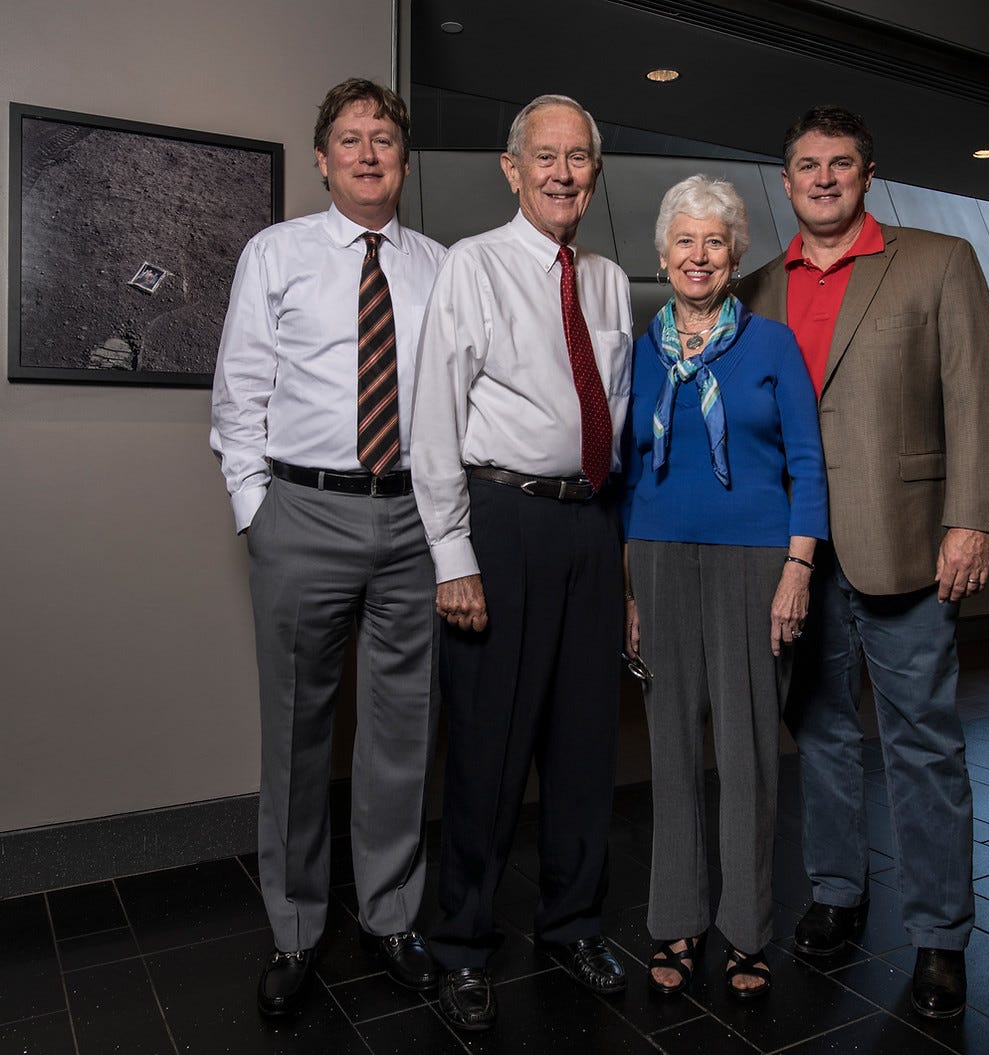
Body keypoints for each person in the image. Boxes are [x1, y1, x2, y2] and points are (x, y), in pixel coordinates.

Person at [738, 104, 989, 1019]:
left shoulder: (936, 260)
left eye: (840, 163)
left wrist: (971, 519)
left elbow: (977, 392)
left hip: (907, 547)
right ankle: (835, 893)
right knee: (815, 731)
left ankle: (939, 936)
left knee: (922, 743)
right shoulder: (754, 288)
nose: (822, 177)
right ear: (785, 182)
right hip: (795, 558)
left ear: (865, 174)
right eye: (806, 164)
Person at [210, 79, 446, 1018]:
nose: (366, 153)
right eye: (349, 139)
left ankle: (391, 916)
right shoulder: (275, 254)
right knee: (298, 737)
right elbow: (238, 398)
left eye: (382, 138)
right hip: (302, 516)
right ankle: (296, 929)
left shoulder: (439, 265)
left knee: (400, 737)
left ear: (400, 155)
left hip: (414, 524)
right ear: (321, 157)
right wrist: (257, 512)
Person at [410, 94, 633, 1031]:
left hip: (589, 526)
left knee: (586, 742)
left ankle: (572, 921)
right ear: (511, 169)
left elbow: (610, 418)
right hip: (501, 521)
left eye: (577, 157)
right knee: (489, 748)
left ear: (593, 171)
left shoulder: (612, 279)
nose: (561, 172)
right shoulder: (473, 265)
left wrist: (617, 566)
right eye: (544, 156)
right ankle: (460, 941)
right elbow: (431, 420)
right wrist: (453, 557)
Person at [621, 175, 828, 1000]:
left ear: (735, 254)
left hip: (755, 562)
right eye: (684, 241)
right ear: (662, 253)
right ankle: (676, 916)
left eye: (714, 241)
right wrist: (628, 590)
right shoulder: (639, 348)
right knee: (669, 748)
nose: (697, 255)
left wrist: (798, 566)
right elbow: (628, 469)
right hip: (660, 557)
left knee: (746, 753)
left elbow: (808, 462)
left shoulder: (771, 344)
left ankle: (746, 928)